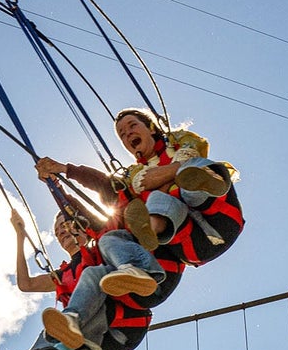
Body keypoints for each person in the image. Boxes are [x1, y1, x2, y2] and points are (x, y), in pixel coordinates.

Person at [0, 209, 156, 350]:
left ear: (82, 228)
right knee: (51, 331)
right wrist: (20, 237)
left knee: (91, 283)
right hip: (100, 339)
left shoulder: (102, 249)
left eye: (66, 226)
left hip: (125, 324)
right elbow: (26, 284)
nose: (62, 232)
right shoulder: (63, 275)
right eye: (58, 232)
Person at [36, 107, 243, 266]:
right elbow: (104, 185)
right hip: (190, 241)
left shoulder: (179, 142)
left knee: (195, 167)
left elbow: (193, 153)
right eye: (122, 134)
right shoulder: (134, 176)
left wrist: (166, 175)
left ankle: (195, 184)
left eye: (132, 126)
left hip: (220, 218)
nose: (127, 134)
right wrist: (63, 173)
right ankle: (150, 227)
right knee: (155, 200)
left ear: (151, 128)